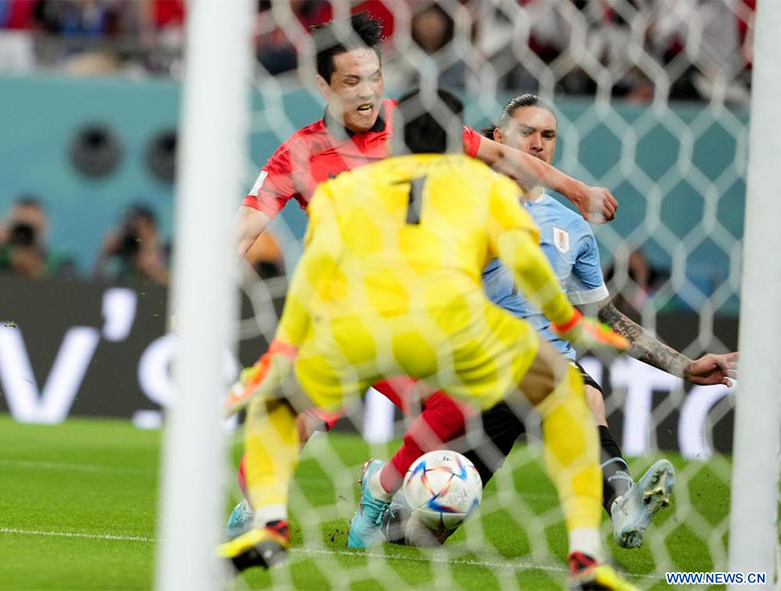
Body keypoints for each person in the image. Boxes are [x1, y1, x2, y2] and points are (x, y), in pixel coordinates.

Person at [218, 88, 637, 591]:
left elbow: (314, 276)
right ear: (459, 144)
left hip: (357, 326)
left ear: (395, 143)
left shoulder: (346, 191)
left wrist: (285, 350)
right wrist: (570, 331)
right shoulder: (487, 195)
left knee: (286, 408)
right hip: (440, 333)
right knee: (564, 404)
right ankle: (584, 556)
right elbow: (533, 275)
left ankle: (269, 516)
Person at [367, 94, 738, 551]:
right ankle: (385, 497)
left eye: (548, 135)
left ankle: (624, 501)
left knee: (585, 397)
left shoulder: (572, 228)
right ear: (499, 138)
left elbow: (607, 318)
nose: (538, 143)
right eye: (527, 132)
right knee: (417, 533)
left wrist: (684, 366)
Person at [234, 12, 618, 264]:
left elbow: (503, 156)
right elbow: (243, 232)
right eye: (351, 82)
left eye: (374, 78)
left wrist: (576, 190)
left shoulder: (417, 120)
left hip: (417, 304)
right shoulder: (298, 153)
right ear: (323, 86)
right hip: (344, 307)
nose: (367, 92)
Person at [0, 195, 74, 279]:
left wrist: (36, 269)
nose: (24, 235)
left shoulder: (59, 263)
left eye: (33, 228)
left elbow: (65, 288)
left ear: (46, 229)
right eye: (20, 228)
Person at [92, 204, 169, 285]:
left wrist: (152, 266)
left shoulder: (170, 255)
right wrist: (104, 255)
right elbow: (93, 286)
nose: (135, 239)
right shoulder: (122, 266)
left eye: (141, 230)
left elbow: (172, 284)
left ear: (152, 230)